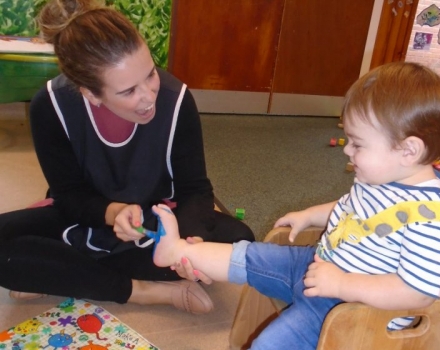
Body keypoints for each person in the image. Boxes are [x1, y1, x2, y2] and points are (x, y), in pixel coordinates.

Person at [150, 62, 440, 349]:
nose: (348, 151)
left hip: (352, 313)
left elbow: (417, 292)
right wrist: (309, 216)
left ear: (408, 151)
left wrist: (343, 284)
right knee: (250, 255)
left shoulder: (435, 217)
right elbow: (350, 210)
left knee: (268, 345)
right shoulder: (384, 176)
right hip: (322, 267)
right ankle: (177, 250)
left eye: (358, 144)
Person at [0, 0, 254, 314]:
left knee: (240, 240)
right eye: (128, 91)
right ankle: (141, 291)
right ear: (90, 94)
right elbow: (69, 197)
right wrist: (113, 212)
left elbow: (195, 190)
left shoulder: (177, 101)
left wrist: (189, 243)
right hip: (85, 217)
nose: (148, 96)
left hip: (156, 223)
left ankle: (64, 274)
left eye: (150, 75)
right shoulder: (49, 107)